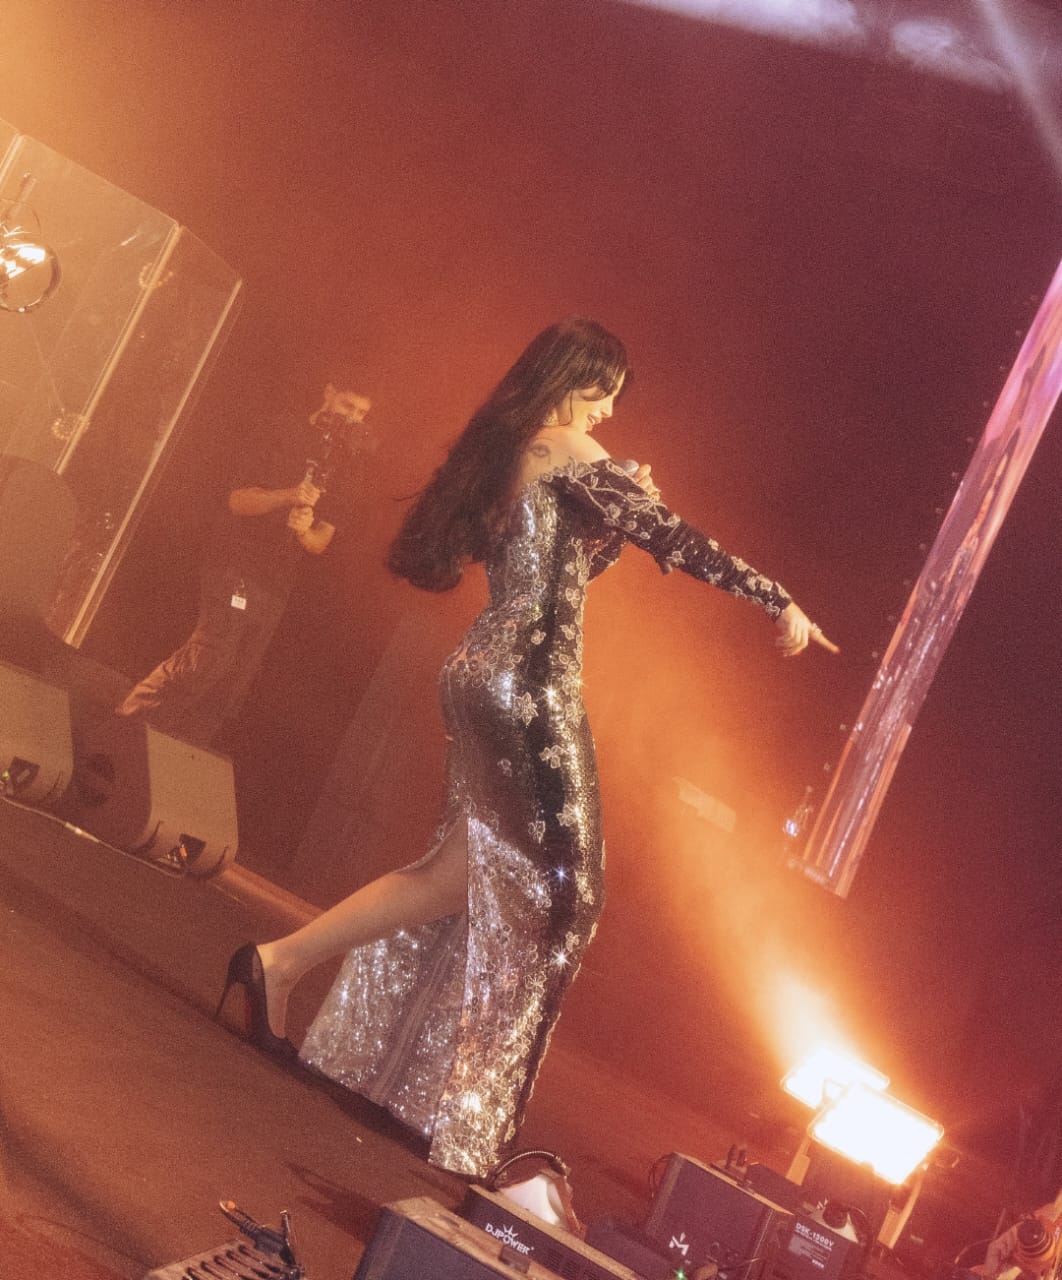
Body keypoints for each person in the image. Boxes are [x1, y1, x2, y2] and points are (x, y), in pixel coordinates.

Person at [216, 318, 837, 1177]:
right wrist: (776, 598)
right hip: (531, 687)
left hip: (482, 668)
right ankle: (474, 1124)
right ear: (575, 380)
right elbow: (676, 539)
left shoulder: (514, 450)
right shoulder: (571, 448)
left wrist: (614, 519)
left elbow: (562, 572)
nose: (610, 410)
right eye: (605, 390)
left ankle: (277, 965)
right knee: (567, 895)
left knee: (456, 874)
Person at [116, 380, 372, 747]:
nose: (353, 419)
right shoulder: (282, 430)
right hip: (235, 564)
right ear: (329, 393)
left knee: (233, 684)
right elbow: (237, 500)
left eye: (361, 414)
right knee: (208, 659)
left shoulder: (348, 468)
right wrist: (287, 496)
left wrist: (303, 531)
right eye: (348, 406)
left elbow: (321, 541)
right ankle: (124, 729)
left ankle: (175, 752)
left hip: (276, 584)